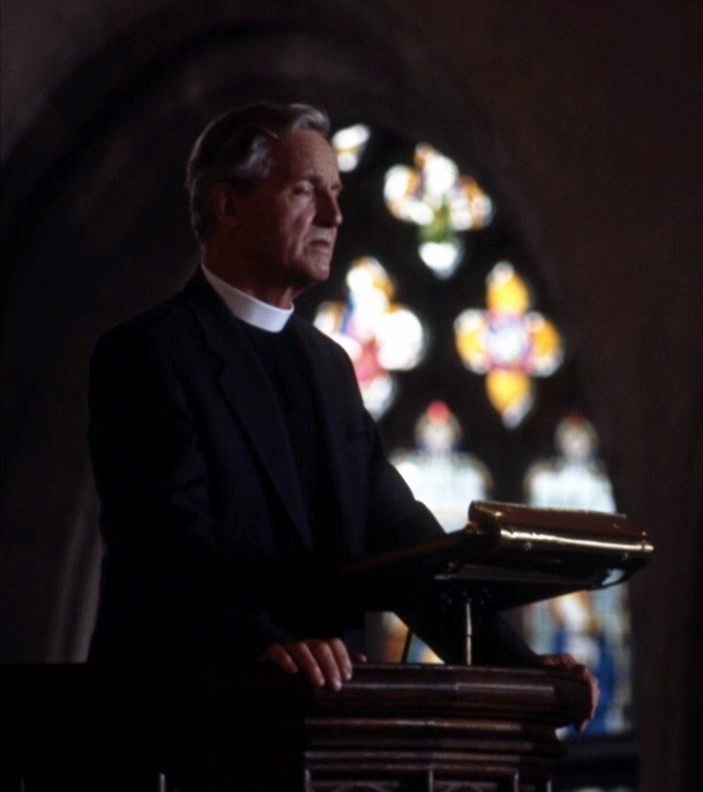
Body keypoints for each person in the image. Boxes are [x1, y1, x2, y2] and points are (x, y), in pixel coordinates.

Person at [86, 100, 598, 727]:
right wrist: (266, 643)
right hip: (184, 725)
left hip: (327, 725)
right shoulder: (148, 354)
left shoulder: (327, 366)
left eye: (335, 194)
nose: (333, 216)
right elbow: (168, 547)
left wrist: (517, 667)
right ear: (228, 206)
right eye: (306, 192)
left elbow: (402, 539)